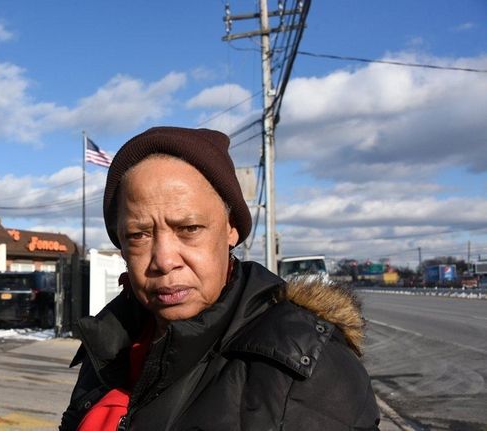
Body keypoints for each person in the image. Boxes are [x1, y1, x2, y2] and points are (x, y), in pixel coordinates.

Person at [59, 126, 380, 430]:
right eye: (138, 235)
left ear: (231, 229)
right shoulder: (108, 346)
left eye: (189, 229)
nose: (164, 260)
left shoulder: (304, 366)